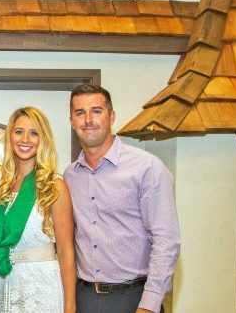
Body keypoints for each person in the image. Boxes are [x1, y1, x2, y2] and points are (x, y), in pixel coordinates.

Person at [64, 84, 180, 313]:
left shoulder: (147, 168)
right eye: (80, 113)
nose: (88, 120)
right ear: (72, 122)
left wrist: (149, 306)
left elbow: (166, 241)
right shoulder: (70, 175)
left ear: (111, 116)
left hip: (134, 298)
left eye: (96, 111)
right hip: (84, 297)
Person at [0, 107, 76, 313]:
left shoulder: (54, 185)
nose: (25, 139)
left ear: (43, 139)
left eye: (34, 133)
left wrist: (70, 307)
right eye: (19, 131)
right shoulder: (0, 182)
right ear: (10, 136)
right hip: (1, 284)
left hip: (40, 289)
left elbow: (66, 252)